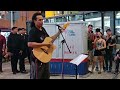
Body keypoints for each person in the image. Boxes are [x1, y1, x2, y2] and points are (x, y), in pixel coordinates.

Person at [28, 12, 64, 79]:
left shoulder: (43, 29)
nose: (42, 21)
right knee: (38, 76)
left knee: (46, 76)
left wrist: (59, 33)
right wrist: (45, 44)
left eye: (42, 20)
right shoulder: (33, 31)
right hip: (37, 57)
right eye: (40, 20)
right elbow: (30, 44)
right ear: (34, 21)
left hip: (45, 57)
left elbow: (49, 40)